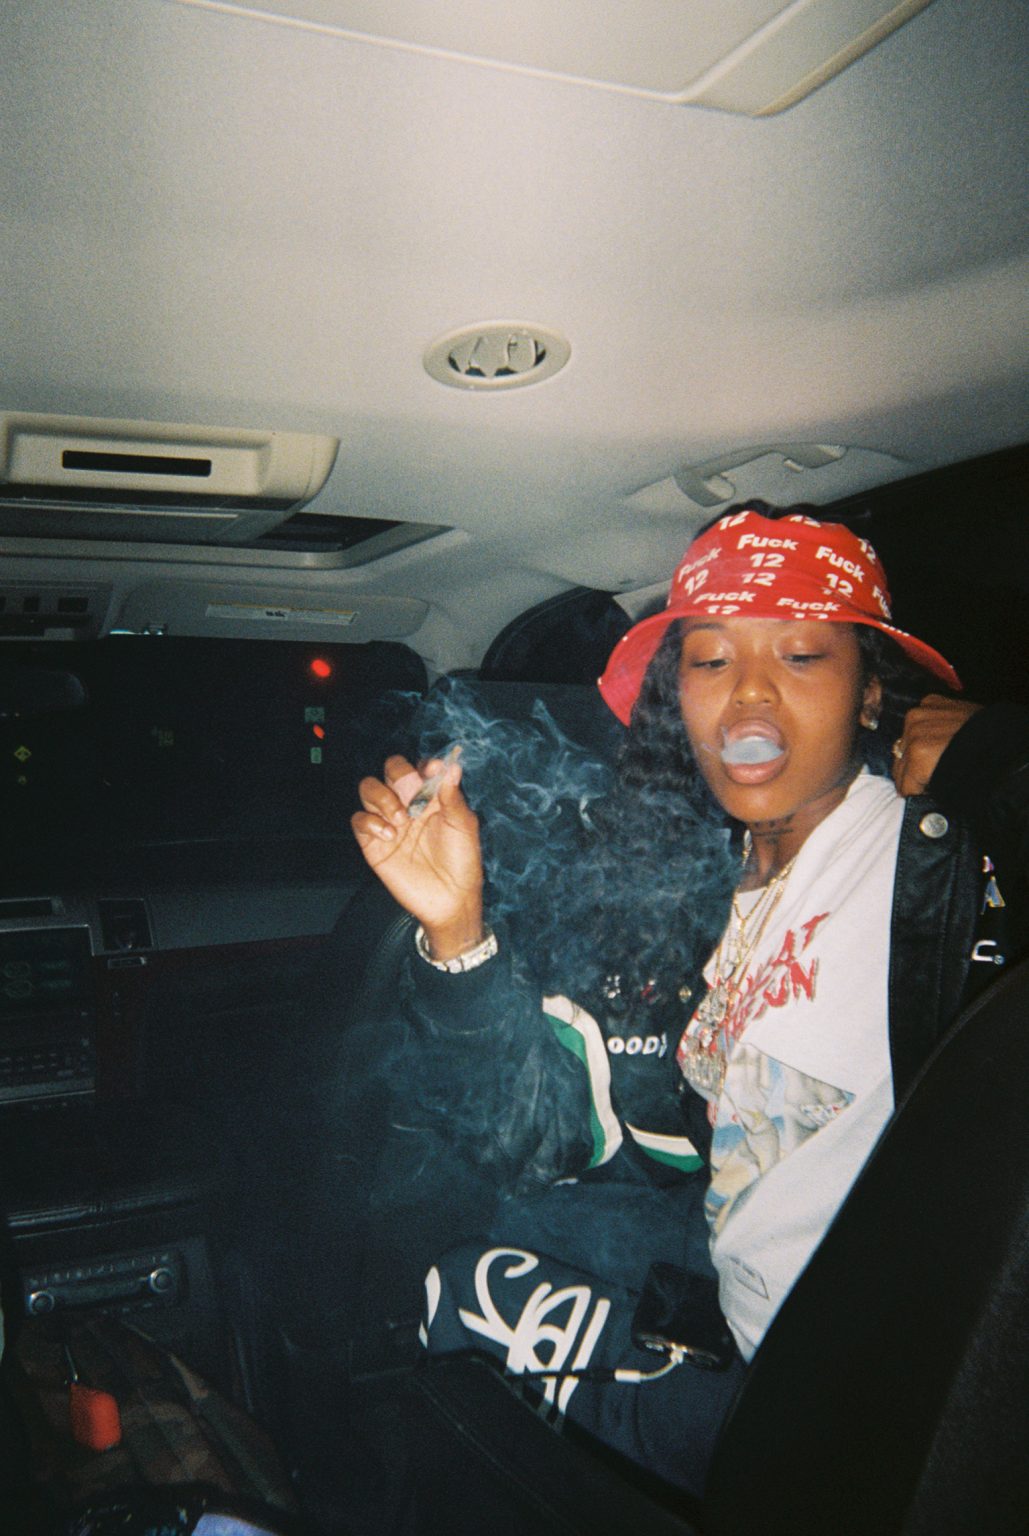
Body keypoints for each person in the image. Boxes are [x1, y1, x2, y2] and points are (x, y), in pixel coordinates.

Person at [351, 504, 1028, 1495]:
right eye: (711, 659)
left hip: (852, 1403)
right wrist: (458, 930)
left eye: (801, 654)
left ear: (873, 694)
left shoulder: (935, 861)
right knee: (471, 1221)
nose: (749, 691)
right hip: (731, 1275)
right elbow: (536, 1143)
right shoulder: (705, 884)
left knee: (458, 1292)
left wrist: (1001, 764)